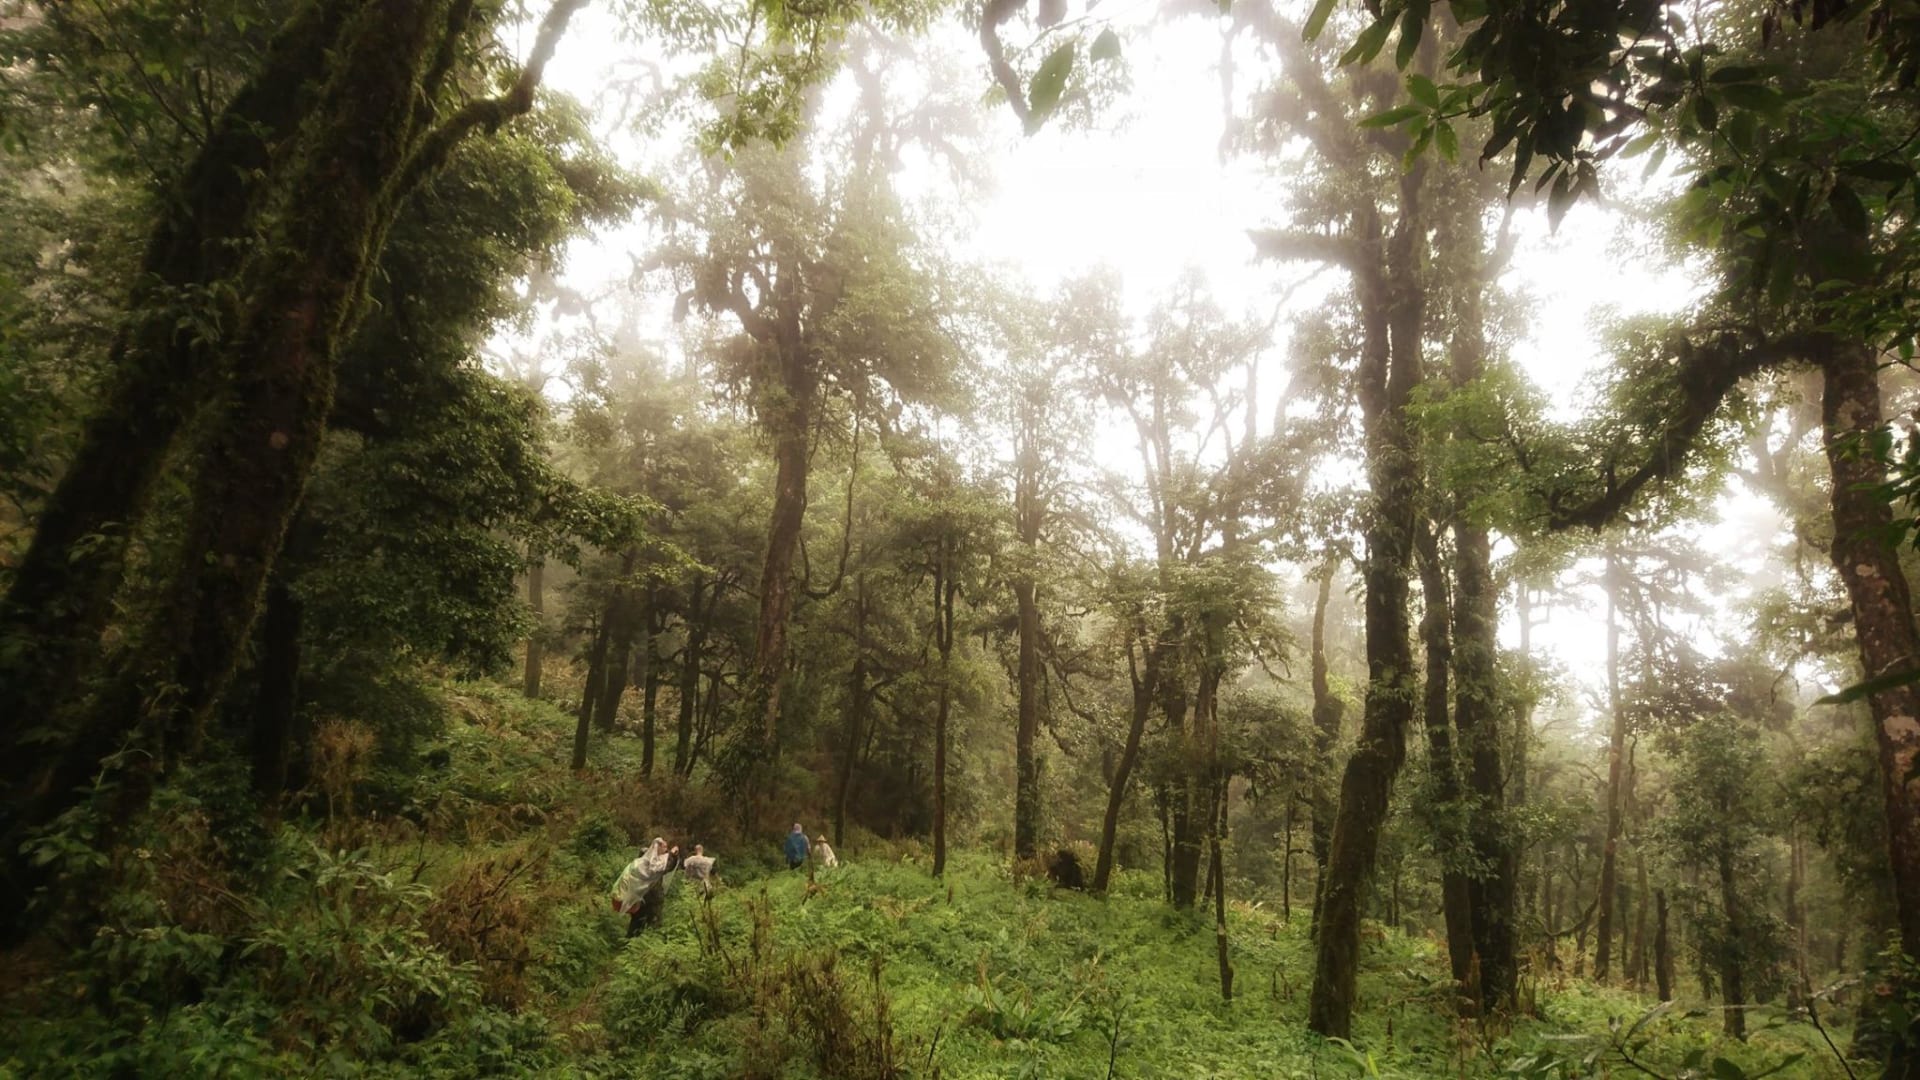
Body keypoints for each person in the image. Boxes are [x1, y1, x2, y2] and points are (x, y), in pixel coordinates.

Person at [611, 837, 679, 939]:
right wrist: (673, 855)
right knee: (653, 925)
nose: (666, 851)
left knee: (636, 923)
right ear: (658, 848)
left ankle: (630, 945)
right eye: (664, 847)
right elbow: (666, 866)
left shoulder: (640, 861)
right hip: (650, 899)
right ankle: (646, 948)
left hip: (638, 898)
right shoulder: (653, 865)